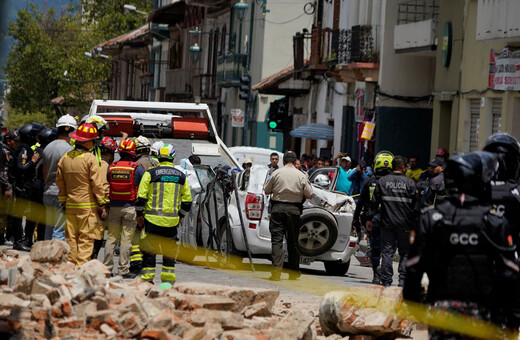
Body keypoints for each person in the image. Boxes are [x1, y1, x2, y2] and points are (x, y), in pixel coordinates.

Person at [404, 151, 520, 338]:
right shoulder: (495, 221)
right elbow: (509, 273)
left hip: (442, 311)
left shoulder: (430, 219)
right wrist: (513, 317)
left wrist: (415, 307)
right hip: (482, 314)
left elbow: (413, 269)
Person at [136, 144, 192, 285]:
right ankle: (167, 282)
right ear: (172, 158)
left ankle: (148, 280)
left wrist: (139, 215)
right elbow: (187, 202)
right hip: (171, 222)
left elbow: (141, 197)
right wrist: (180, 216)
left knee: (149, 251)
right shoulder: (181, 176)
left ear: (158, 157)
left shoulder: (150, 173)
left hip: (151, 220)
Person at [56, 122, 109, 265]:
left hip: (70, 206)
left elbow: (60, 182)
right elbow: (97, 184)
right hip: (88, 208)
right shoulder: (90, 158)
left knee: (71, 238)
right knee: (85, 239)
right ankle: (81, 267)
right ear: (87, 141)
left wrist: (63, 201)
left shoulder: (65, 157)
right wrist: (102, 204)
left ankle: (71, 265)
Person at [367, 155, 416, 287]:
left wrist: (369, 218)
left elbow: (374, 203)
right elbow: (415, 206)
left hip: (387, 223)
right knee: (405, 252)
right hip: (404, 224)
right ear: (403, 167)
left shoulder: (382, 181)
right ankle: (402, 280)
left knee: (387, 252)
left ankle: (386, 282)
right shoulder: (410, 183)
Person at [264, 151, 313, 281]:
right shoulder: (301, 175)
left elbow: (266, 190)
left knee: (277, 240)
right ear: (295, 161)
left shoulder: (276, 173)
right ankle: (293, 272)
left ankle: (276, 272)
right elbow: (310, 194)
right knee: (293, 241)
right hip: (294, 210)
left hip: (278, 209)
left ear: (283, 161)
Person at [104, 139, 144, 278]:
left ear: (119, 152)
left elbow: (108, 181)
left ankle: (107, 268)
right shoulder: (136, 168)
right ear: (133, 152)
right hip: (130, 208)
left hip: (114, 207)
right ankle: (123, 270)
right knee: (126, 240)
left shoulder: (112, 166)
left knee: (111, 239)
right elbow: (143, 187)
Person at [352, 150, 394, 284]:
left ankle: (376, 273)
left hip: (373, 219)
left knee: (375, 248)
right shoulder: (395, 181)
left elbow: (361, 201)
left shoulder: (370, 180)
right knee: (389, 249)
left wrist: (356, 219)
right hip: (391, 220)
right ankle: (385, 274)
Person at [42, 115, 77, 241]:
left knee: (49, 227)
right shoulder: (69, 150)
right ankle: (56, 258)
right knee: (59, 229)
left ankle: (45, 256)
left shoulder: (48, 147)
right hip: (60, 194)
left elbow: (44, 170)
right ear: (72, 132)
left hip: (48, 192)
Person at [9, 125, 41, 251]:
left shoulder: (24, 147)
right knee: (18, 214)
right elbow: (22, 167)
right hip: (21, 187)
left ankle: (19, 240)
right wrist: (33, 161)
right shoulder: (24, 149)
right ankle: (18, 241)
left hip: (22, 186)